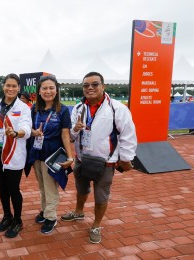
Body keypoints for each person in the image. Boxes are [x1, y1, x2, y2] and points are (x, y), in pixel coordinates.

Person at [61, 71, 137, 244]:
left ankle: (96, 224)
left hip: (105, 162)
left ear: (103, 86)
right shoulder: (79, 108)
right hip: (81, 159)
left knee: (101, 195)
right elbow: (71, 137)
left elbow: (128, 135)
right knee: (81, 190)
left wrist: (125, 159)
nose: (90, 88)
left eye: (94, 84)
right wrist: (76, 129)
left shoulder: (117, 108)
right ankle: (79, 212)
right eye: (86, 85)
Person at [0, 73, 32, 238]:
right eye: (8, 85)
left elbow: (27, 129)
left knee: (13, 189)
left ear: (18, 88)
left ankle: (18, 221)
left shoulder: (24, 108)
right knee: (2, 188)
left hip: (13, 154)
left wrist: (16, 132)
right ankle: (7, 216)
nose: (11, 88)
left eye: (14, 86)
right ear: (3, 86)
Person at [27, 74, 74, 234]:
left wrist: (69, 157)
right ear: (39, 91)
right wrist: (34, 132)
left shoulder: (63, 109)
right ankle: (45, 209)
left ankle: (51, 217)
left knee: (50, 186)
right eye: (44, 88)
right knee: (42, 185)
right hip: (37, 151)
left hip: (53, 153)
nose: (48, 91)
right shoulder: (34, 109)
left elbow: (65, 134)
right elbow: (30, 129)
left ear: (56, 90)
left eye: (51, 88)